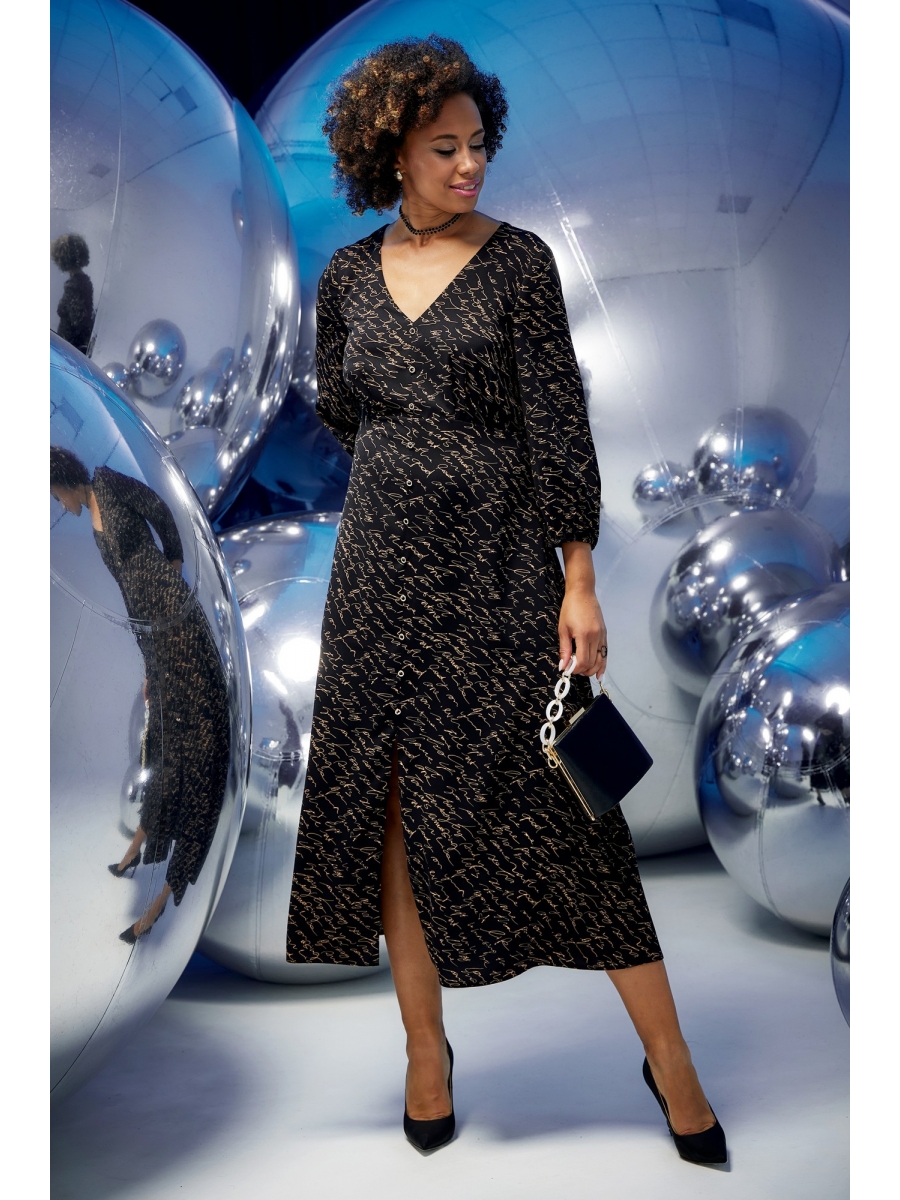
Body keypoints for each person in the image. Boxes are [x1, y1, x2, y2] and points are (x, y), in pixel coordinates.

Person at [286, 35, 727, 1164]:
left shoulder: (520, 263)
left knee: (576, 807)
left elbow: (559, 426)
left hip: (502, 570)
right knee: (395, 809)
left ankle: (671, 1059)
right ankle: (424, 1053)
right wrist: (414, 464)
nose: (470, 163)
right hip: (381, 576)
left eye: (479, 143)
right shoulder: (345, 279)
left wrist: (577, 580)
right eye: (445, 148)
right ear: (392, 152)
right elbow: (343, 409)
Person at [50, 447, 231, 943]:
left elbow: (161, 510)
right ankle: (139, 846)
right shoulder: (92, 511)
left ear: (62, 480)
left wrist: (173, 565)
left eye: (54, 494)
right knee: (162, 741)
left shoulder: (107, 481)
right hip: (153, 629)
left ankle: (162, 899)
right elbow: (131, 596)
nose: (58, 504)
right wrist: (149, 662)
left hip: (173, 618)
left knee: (194, 748)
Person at [51, 233, 95, 355]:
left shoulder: (74, 286)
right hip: (68, 351)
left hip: (67, 353)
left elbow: (79, 321)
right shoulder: (82, 282)